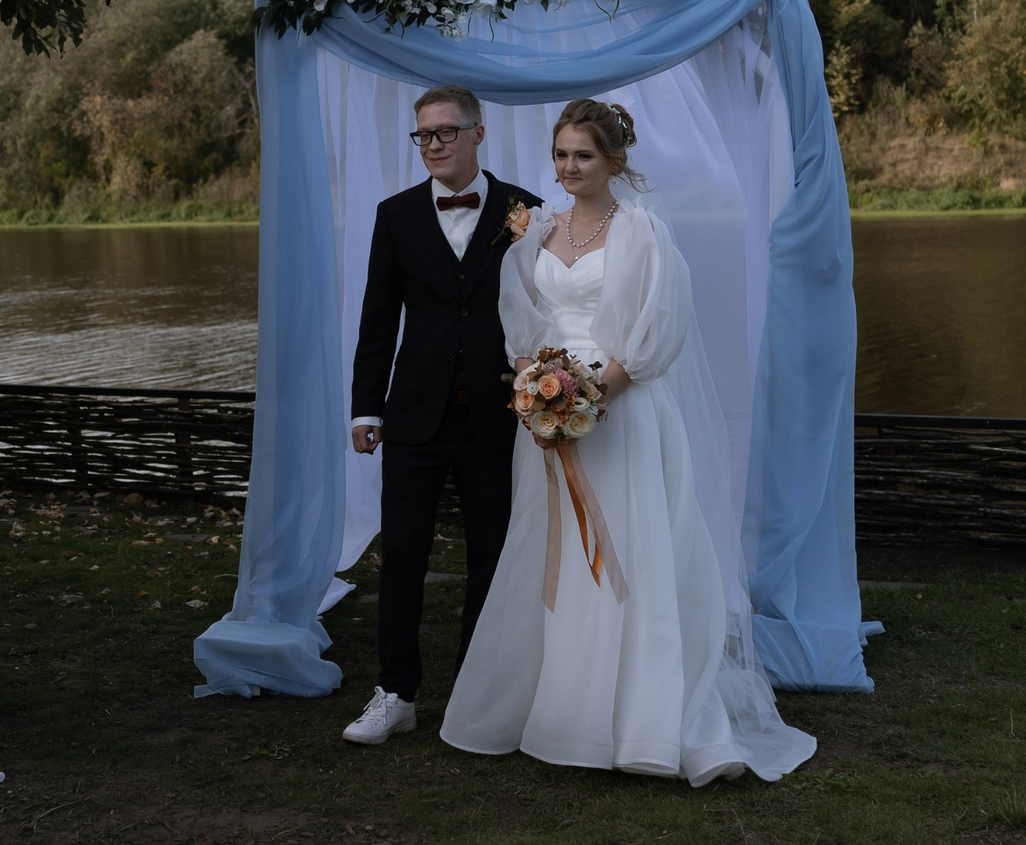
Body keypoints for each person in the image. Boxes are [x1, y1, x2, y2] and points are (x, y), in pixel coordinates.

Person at [440, 98, 816, 783]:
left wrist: (591, 396)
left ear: (614, 159)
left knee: (631, 551)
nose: (569, 167)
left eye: (583, 155)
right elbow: (521, 317)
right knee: (554, 553)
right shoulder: (537, 233)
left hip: (620, 409)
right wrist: (538, 388)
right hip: (548, 417)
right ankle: (561, 712)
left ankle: (645, 717)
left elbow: (659, 321)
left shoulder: (641, 231)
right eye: (560, 155)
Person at [341, 85, 545, 745]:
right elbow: (378, 318)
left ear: (478, 134)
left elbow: (548, 309)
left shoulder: (526, 210)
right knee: (403, 552)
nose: (432, 145)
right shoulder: (395, 215)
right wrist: (365, 407)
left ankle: (475, 691)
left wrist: (546, 390)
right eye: (422, 135)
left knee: (492, 554)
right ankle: (396, 691)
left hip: (498, 414)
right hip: (414, 415)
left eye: (445, 133)